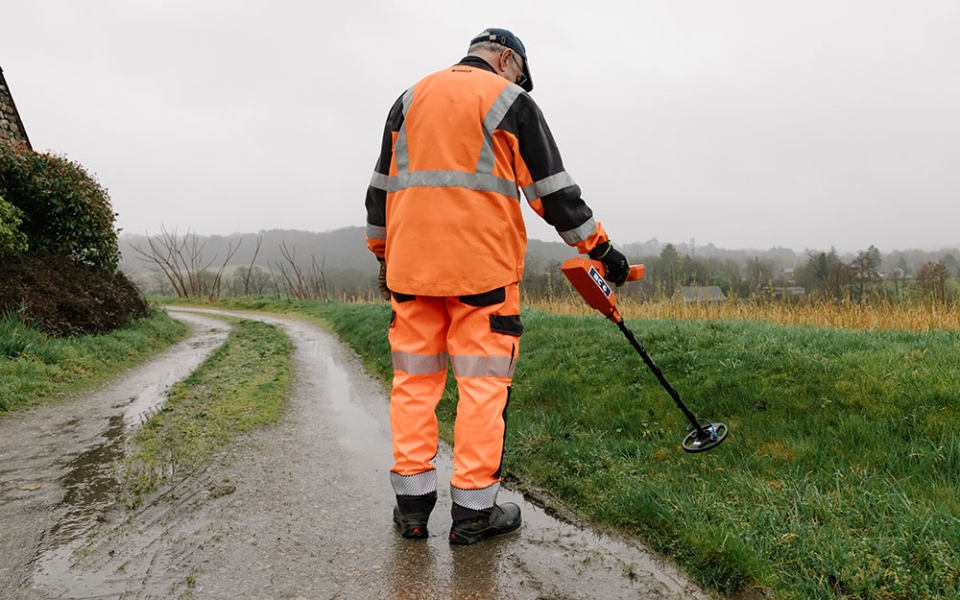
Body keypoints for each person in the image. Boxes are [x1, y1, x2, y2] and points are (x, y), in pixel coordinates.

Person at [364, 27, 629, 545]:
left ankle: (413, 512)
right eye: (522, 75)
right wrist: (600, 249)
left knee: (414, 386)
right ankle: (473, 516)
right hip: (482, 274)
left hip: (411, 272)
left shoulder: (408, 98)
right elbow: (552, 192)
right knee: (483, 389)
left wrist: (383, 255)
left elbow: (381, 190)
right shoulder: (510, 102)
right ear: (508, 59)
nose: (521, 83)